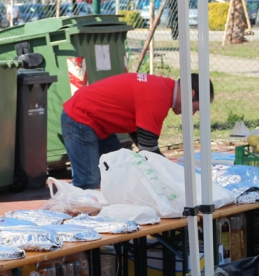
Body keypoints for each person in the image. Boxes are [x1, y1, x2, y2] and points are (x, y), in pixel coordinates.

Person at [61, 72, 214, 190]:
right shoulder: (158, 96)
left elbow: (140, 136)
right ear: (191, 93)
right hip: (80, 118)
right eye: (195, 108)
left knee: (120, 171)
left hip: (95, 122)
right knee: (88, 181)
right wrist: (173, 176)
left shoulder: (162, 88)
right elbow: (149, 148)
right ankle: (73, 220)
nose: (192, 113)